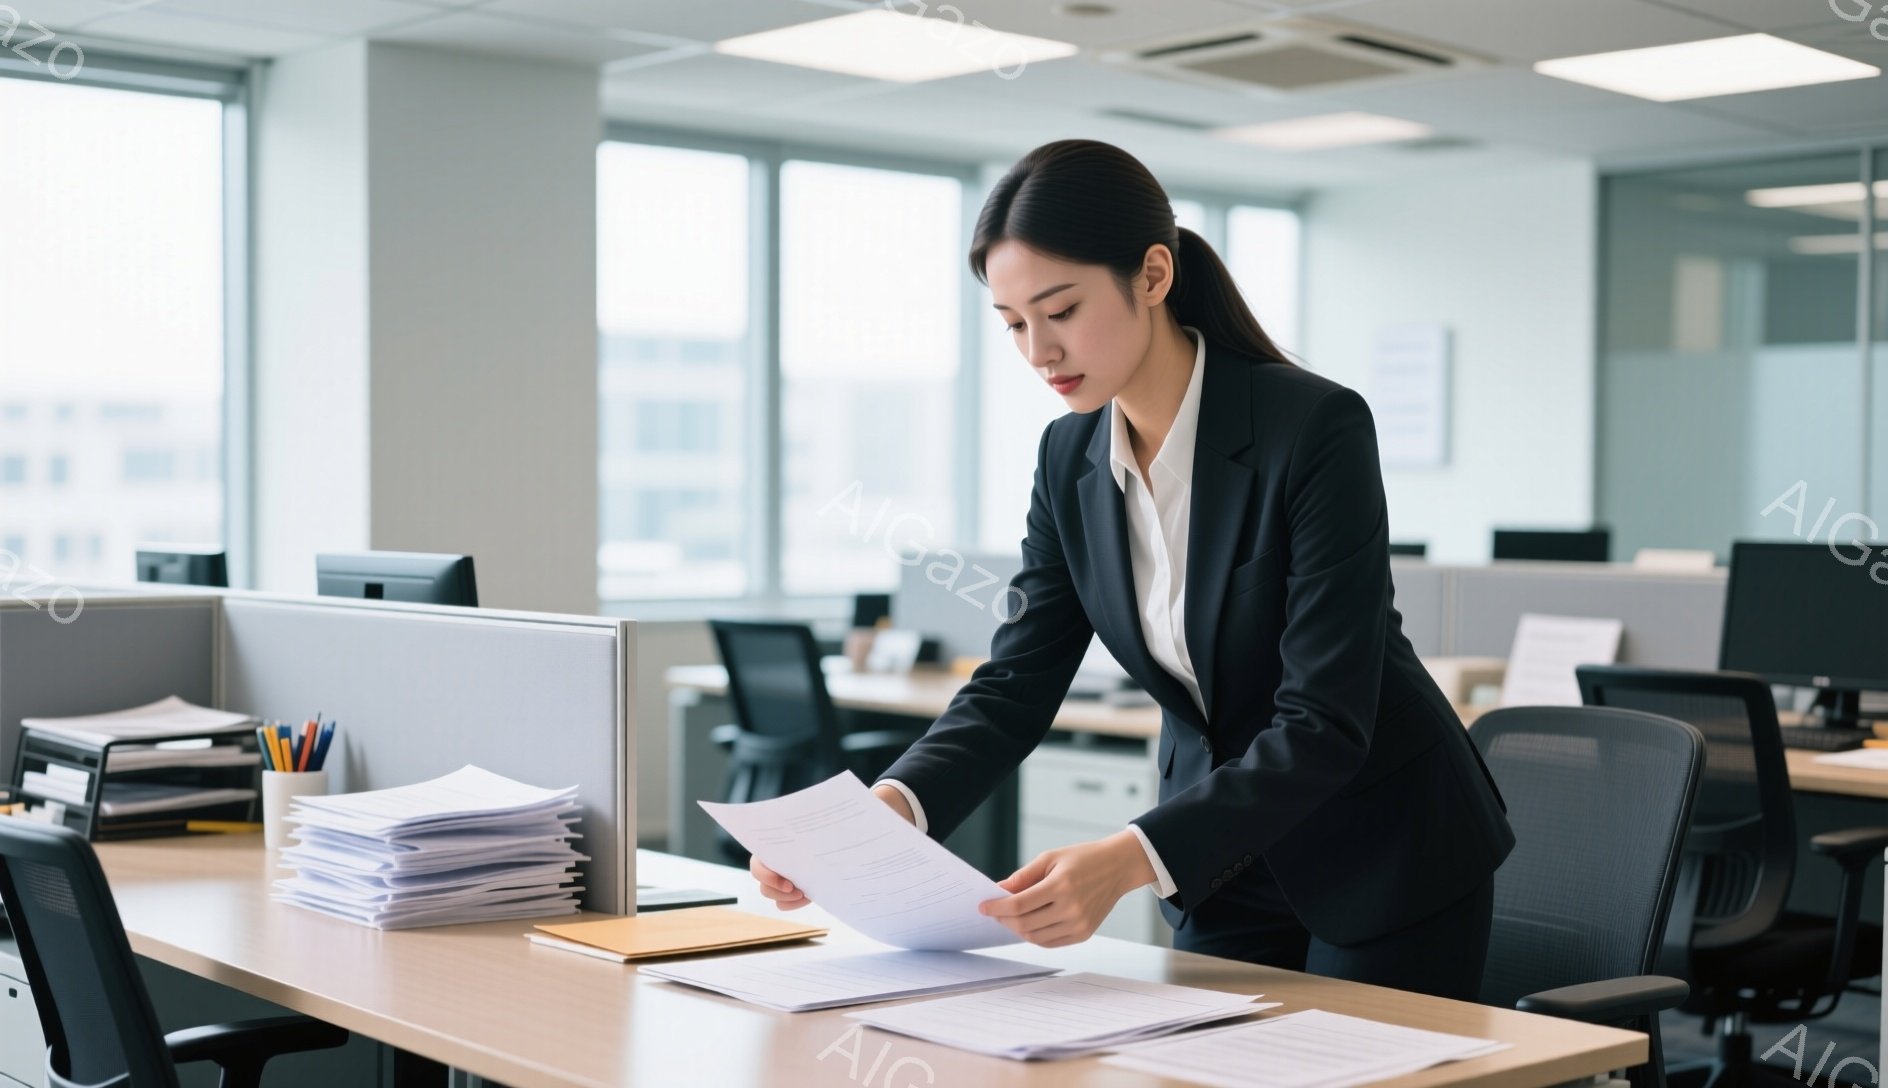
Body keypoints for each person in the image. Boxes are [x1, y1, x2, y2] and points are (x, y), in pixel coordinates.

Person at [751, 138, 1513, 1001]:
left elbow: (1325, 720)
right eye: (1013, 324)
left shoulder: (1313, 429)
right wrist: (885, 812)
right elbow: (1016, 683)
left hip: (1382, 850)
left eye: (1061, 310)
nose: (1039, 351)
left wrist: (1128, 857)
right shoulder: (1067, 457)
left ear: (1152, 275)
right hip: (1222, 858)